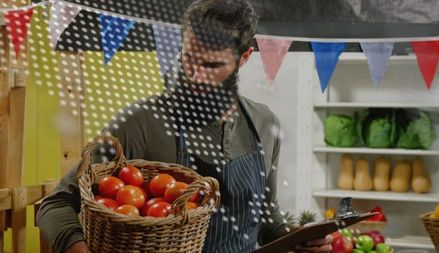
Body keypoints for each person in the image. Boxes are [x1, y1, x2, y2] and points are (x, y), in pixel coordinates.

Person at [36, 0, 333, 252]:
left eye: (211, 65)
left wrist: (300, 239)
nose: (195, 76)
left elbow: (267, 223)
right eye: (188, 59)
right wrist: (76, 247)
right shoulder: (141, 124)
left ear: (244, 58)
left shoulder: (264, 124)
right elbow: (56, 204)